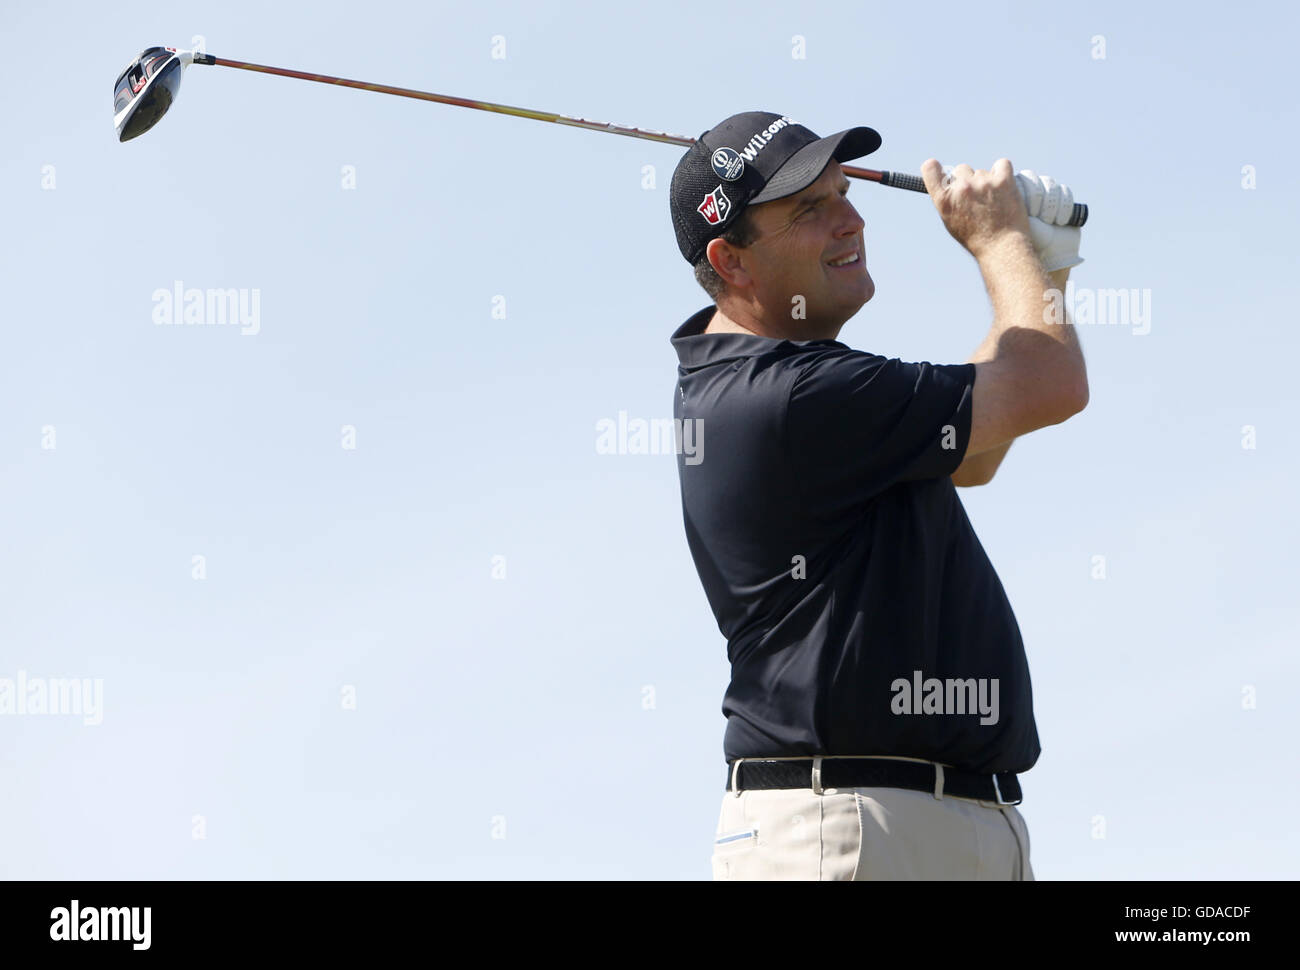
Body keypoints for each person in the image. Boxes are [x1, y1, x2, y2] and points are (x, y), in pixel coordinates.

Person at [667, 111, 1088, 880]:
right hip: (846, 825)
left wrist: (1045, 272)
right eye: (809, 210)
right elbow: (1050, 384)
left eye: (842, 191)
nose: (850, 220)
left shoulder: (789, 383)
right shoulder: (793, 394)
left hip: (921, 817)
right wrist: (1001, 244)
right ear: (730, 262)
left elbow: (975, 455)